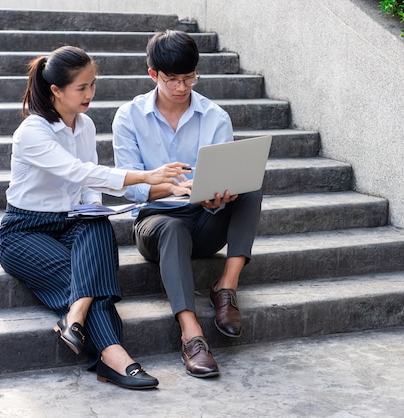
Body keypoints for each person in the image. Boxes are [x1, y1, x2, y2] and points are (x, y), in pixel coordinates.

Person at [0, 45, 191, 390]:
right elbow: (79, 171)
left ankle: (75, 316)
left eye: (93, 84)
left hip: (72, 222)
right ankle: (114, 356)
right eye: (81, 88)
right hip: (25, 231)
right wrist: (145, 176)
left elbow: (89, 191)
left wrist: (96, 206)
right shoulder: (33, 132)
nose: (90, 94)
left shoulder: (84, 125)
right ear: (56, 90)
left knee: (98, 221)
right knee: (86, 277)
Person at [112, 30, 263, 378]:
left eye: (189, 78)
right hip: (156, 222)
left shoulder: (215, 117)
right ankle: (191, 333)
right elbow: (129, 187)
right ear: (153, 75)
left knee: (251, 187)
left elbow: (225, 176)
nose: (182, 87)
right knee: (172, 226)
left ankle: (226, 287)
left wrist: (220, 194)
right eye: (172, 80)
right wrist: (170, 186)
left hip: (206, 218)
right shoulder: (129, 116)